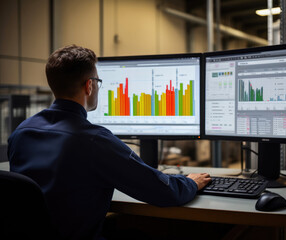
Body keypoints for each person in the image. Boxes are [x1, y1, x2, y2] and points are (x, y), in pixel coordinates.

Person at [7, 45, 211, 240]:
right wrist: (191, 182)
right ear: (89, 85)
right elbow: (163, 192)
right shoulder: (94, 140)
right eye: (97, 81)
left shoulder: (21, 133)